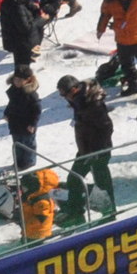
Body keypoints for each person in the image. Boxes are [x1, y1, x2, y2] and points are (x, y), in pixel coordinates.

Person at [56, 75, 117, 221]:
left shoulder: (92, 103)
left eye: (65, 94)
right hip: (86, 150)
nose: (65, 98)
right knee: (74, 179)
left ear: (74, 89)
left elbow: (107, 127)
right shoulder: (80, 101)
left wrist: (99, 150)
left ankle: (110, 214)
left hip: (97, 151)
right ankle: (76, 213)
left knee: (102, 184)